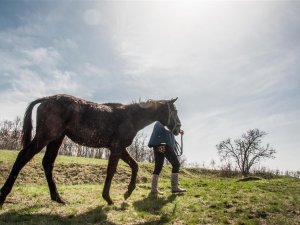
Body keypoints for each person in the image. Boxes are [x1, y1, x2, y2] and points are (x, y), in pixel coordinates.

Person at [148, 121, 186, 194]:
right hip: (163, 145)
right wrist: (178, 131)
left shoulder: (158, 122)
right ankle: (174, 188)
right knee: (176, 164)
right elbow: (170, 128)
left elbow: (169, 128)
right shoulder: (165, 119)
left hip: (158, 146)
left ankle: (154, 189)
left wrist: (178, 130)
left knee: (158, 167)